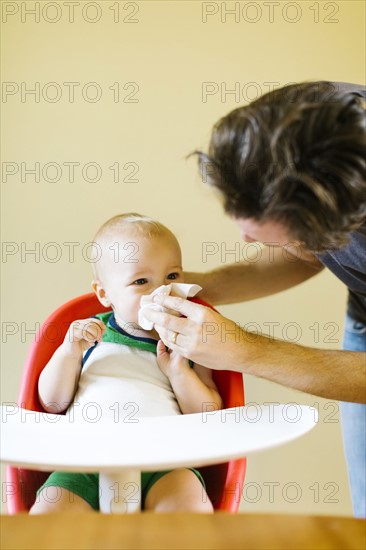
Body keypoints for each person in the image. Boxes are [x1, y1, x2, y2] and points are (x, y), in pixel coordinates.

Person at [142, 81, 366, 518]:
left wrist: (244, 350)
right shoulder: (295, 123)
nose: (245, 238)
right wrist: (199, 285)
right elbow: (306, 252)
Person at [30, 213, 222, 514]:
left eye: (172, 277)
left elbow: (208, 414)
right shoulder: (90, 335)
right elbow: (51, 403)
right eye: (141, 281)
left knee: (189, 510)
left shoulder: (190, 339)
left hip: (165, 464)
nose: (162, 292)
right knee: (49, 518)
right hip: (83, 463)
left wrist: (178, 372)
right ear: (104, 294)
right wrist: (69, 352)